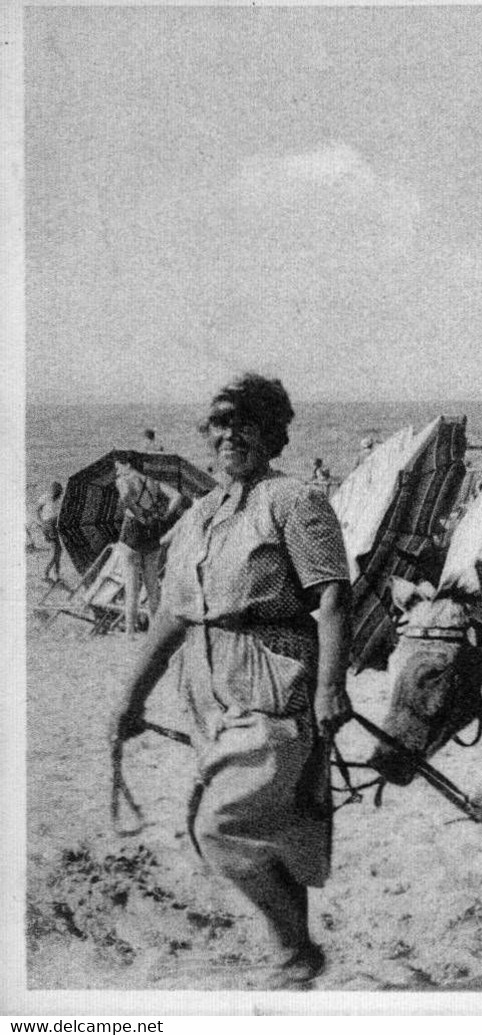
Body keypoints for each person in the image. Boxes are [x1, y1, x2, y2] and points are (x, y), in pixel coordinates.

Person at [108, 373, 350, 989]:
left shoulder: (295, 501)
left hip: (276, 684)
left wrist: (329, 689)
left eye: (243, 424)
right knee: (274, 833)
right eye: (218, 425)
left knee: (220, 827)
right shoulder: (199, 516)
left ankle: (295, 953)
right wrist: (131, 699)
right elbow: (169, 616)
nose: (228, 436)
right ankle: (296, 977)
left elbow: (330, 600)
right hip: (208, 697)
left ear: (271, 434)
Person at [111, 452, 178, 640]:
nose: (117, 470)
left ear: (126, 464)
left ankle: (130, 632)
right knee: (152, 586)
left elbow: (125, 497)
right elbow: (177, 496)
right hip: (152, 529)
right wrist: (164, 515)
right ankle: (154, 632)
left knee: (131, 586)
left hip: (132, 530)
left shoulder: (123, 480)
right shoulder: (152, 481)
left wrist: (137, 513)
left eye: (118, 466)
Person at [35, 481, 64, 581]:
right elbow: (37, 510)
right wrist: (41, 522)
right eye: (57, 491)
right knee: (56, 550)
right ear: (53, 490)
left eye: (59, 492)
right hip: (49, 525)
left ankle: (56, 574)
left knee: (58, 550)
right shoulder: (46, 497)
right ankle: (46, 573)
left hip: (54, 525)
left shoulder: (58, 500)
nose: (59, 494)